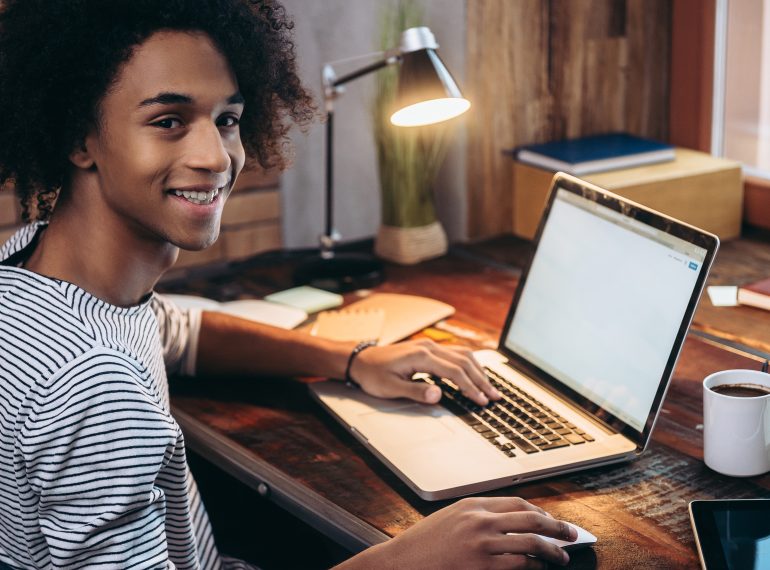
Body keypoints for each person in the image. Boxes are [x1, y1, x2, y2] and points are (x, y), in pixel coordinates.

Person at [0, 0, 577, 568]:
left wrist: (352, 359)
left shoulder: (30, 265)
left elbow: (175, 330)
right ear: (79, 139)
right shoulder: (93, 388)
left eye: (227, 119)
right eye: (168, 122)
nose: (217, 156)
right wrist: (411, 559)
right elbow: (103, 381)